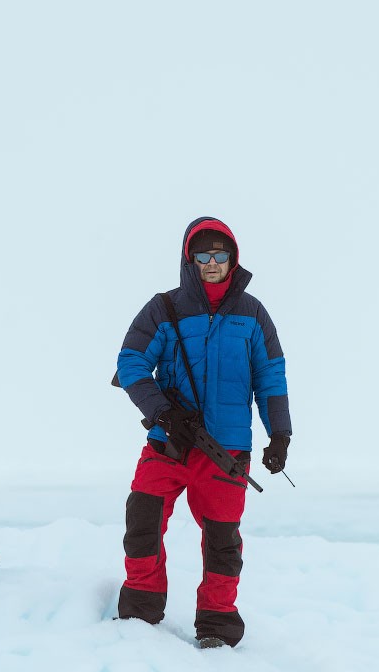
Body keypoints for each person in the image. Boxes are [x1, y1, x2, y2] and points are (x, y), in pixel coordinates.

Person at [114, 216, 292, 649]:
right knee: (142, 521)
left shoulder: (252, 314)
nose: (211, 262)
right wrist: (162, 412)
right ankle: (140, 609)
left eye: (220, 254)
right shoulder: (163, 307)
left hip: (226, 451)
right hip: (168, 444)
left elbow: (270, 376)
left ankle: (217, 623)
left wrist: (280, 435)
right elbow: (130, 363)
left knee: (222, 542)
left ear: (233, 259)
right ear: (188, 259)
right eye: (202, 255)